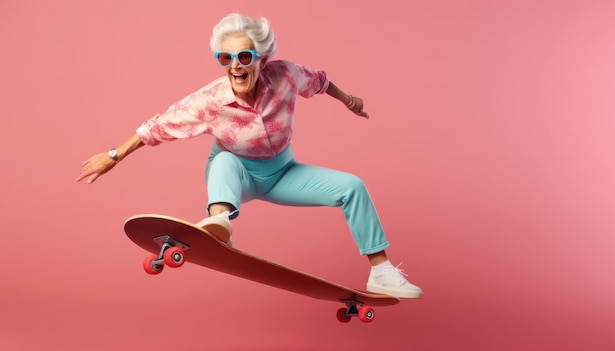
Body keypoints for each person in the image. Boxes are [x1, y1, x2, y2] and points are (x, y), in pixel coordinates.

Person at [77, 13, 422, 299]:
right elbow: (157, 127)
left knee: (353, 186)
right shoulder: (209, 101)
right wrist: (114, 155)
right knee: (225, 160)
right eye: (225, 58)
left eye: (245, 57)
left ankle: (382, 271)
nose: (235, 67)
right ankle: (219, 223)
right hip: (235, 174)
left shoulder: (285, 75)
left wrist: (349, 101)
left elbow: (320, 81)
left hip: (284, 174)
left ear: (262, 58)